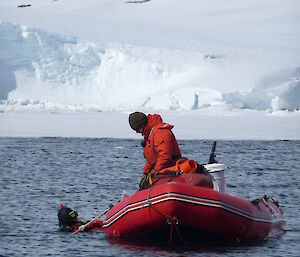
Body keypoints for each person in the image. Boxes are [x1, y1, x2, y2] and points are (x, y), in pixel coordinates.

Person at [128, 112, 182, 176]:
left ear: (142, 125)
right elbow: (151, 159)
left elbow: (165, 156)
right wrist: (145, 173)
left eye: (137, 129)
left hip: (171, 169)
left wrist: (155, 170)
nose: (137, 132)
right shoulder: (150, 134)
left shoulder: (160, 132)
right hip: (161, 169)